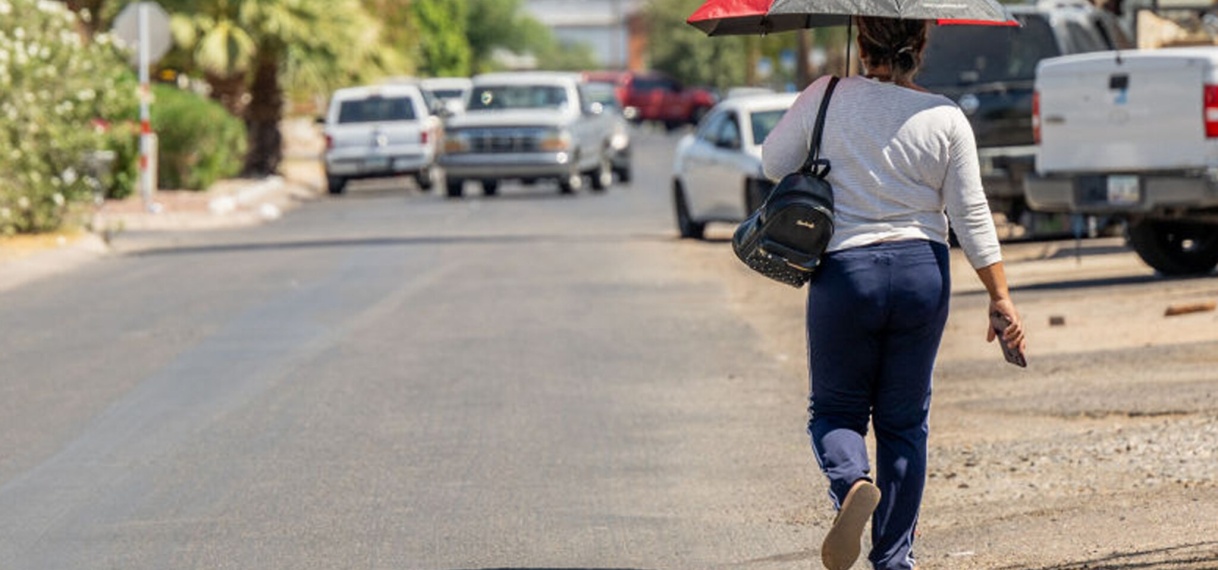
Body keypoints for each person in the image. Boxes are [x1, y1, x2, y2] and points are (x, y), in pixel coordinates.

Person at [760, 16, 1027, 570]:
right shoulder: (944, 115)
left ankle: (852, 481)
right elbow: (970, 212)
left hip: (846, 273)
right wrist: (1000, 296)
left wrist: (827, 133)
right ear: (921, 44)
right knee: (904, 423)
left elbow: (772, 163)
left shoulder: (826, 96)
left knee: (835, 411)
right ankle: (894, 559)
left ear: (860, 43)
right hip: (921, 273)